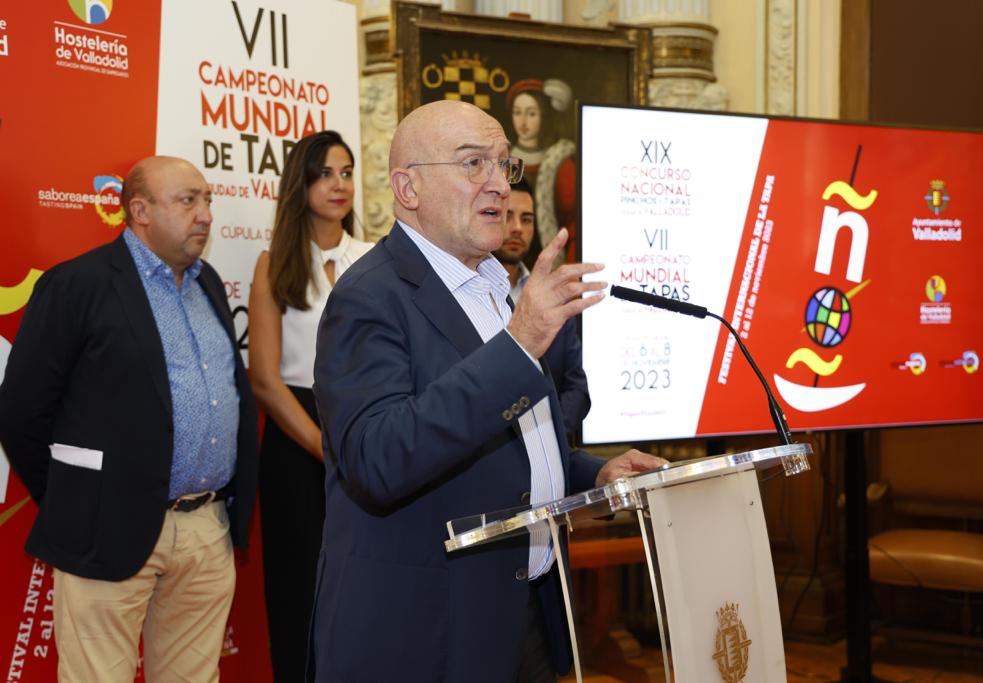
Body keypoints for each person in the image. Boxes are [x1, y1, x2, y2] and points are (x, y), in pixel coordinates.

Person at [308, 100, 666, 682]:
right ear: (408, 188)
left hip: (523, 608)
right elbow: (379, 458)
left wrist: (591, 473)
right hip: (427, 631)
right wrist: (519, 343)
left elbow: (512, 442)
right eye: (474, 163)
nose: (499, 183)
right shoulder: (368, 297)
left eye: (504, 163)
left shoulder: (491, 287)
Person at [0, 156, 258, 683]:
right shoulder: (78, 284)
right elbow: (20, 410)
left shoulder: (207, 283)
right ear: (140, 211)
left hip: (206, 528)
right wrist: (79, 498)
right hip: (105, 528)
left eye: (207, 200)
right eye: (188, 201)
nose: (205, 214)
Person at [247, 130, 372, 682]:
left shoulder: (375, 258)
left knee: (366, 588)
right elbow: (265, 380)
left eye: (346, 172)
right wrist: (326, 448)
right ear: (300, 184)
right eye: (324, 174)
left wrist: (354, 447)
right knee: (299, 593)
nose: (338, 185)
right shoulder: (274, 263)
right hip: (296, 440)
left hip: (367, 432)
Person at [495, 178, 590, 433]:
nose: (517, 228)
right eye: (507, 216)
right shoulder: (471, 293)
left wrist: (545, 435)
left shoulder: (553, 296)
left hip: (551, 442)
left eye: (526, 219)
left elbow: (577, 389)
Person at [507, 78, 578, 263]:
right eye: (517, 112)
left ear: (543, 116)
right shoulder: (501, 160)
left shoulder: (558, 160)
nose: (523, 121)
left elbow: (571, 218)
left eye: (531, 114)